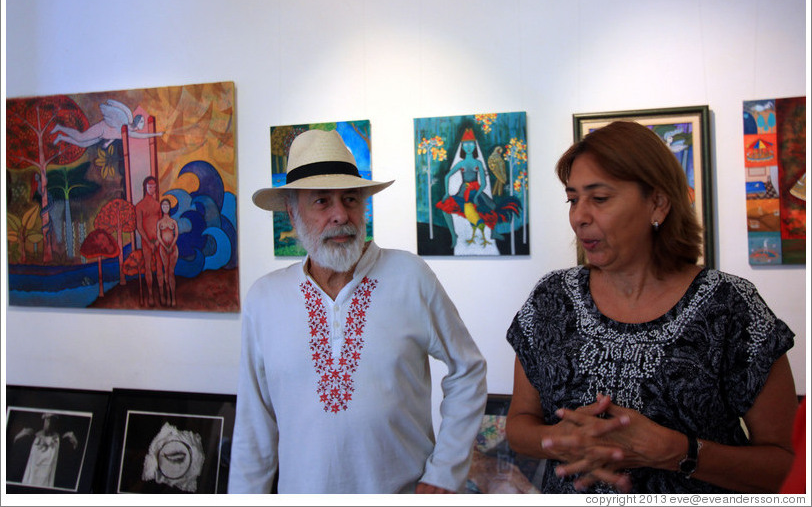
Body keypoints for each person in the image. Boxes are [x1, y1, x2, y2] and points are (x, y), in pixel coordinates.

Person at [505, 120, 798, 494]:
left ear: (657, 203)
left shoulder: (730, 306)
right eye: (572, 198)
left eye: (599, 198)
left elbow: (786, 465)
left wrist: (677, 452)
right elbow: (518, 427)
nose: (579, 216)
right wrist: (559, 439)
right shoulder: (551, 298)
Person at [229, 129, 487, 494]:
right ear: (291, 212)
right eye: (321, 201)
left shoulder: (409, 276)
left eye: (350, 199)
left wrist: (444, 473)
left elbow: (468, 369)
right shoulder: (264, 299)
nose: (340, 215)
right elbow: (254, 427)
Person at [13, 413, 79, 489]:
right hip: (31, 479)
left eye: (52, 420)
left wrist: (73, 441)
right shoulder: (32, 437)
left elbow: (74, 450)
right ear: (44, 419)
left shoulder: (60, 440)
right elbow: (15, 442)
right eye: (48, 419)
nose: (49, 423)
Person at [135, 176, 164, 306]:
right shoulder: (139, 206)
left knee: (159, 267)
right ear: (145, 188)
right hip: (146, 242)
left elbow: (160, 223)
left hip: (158, 240)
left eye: (154, 186)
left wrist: (158, 240)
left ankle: (162, 294)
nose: (152, 188)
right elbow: (139, 227)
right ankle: (151, 295)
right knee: (147, 268)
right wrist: (148, 241)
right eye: (150, 186)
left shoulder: (158, 205)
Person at [156, 198, 179, 307]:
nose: (165, 207)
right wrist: (165, 246)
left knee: (171, 272)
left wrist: (171, 245)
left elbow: (176, 235)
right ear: (161, 208)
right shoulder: (159, 222)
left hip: (173, 249)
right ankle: (168, 297)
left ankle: (174, 297)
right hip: (163, 249)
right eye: (163, 206)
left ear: (170, 207)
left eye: (167, 206)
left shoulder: (173, 222)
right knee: (166, 271)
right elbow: (159, 237)